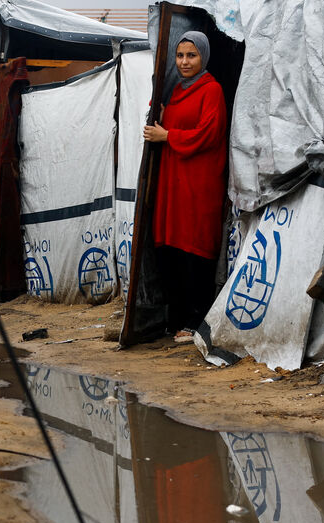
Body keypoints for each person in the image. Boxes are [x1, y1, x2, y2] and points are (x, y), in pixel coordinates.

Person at [143, 31, 228, 344]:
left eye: (191, 55)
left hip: (199, 182)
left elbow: (209, 133)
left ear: (203, 57)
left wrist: (168, 136)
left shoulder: (212, 90)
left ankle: (196, 320)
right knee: (173, 248)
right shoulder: (177, 90)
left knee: (196, 247)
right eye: (180, 56)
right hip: (174, 182)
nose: (184, 62)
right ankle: (177, 318)